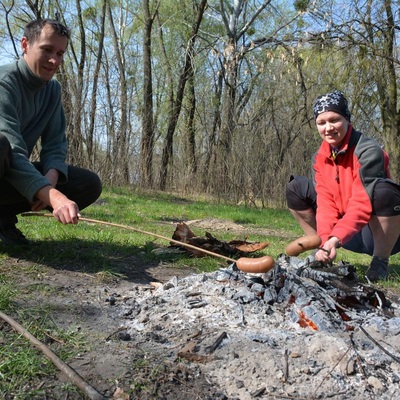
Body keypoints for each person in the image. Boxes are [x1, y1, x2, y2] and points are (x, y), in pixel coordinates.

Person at [0, 18, 102, 245]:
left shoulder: (53, 90)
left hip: (9, 172)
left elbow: (55, 144)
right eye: (47, 50)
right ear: (25, 45)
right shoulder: (4, 83)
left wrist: (51, 178)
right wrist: (53, 196)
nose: (54, 60)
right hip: (5, 158)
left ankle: (2, 216)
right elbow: (13, 151)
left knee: (87, 184)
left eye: (61, 53)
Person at [286, 90, 400, 282]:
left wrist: (336, 237)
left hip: (373, 233)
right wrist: (326, 239)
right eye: (321, 123)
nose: (328, 128)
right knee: (296, 187)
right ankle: (320, 250)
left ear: (347, 119)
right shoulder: (321, 157)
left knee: (384, 191)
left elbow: (362, 203)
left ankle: (380, 261)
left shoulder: (369, 151)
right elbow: (326, 202)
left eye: (334, 120)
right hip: (344, 232)